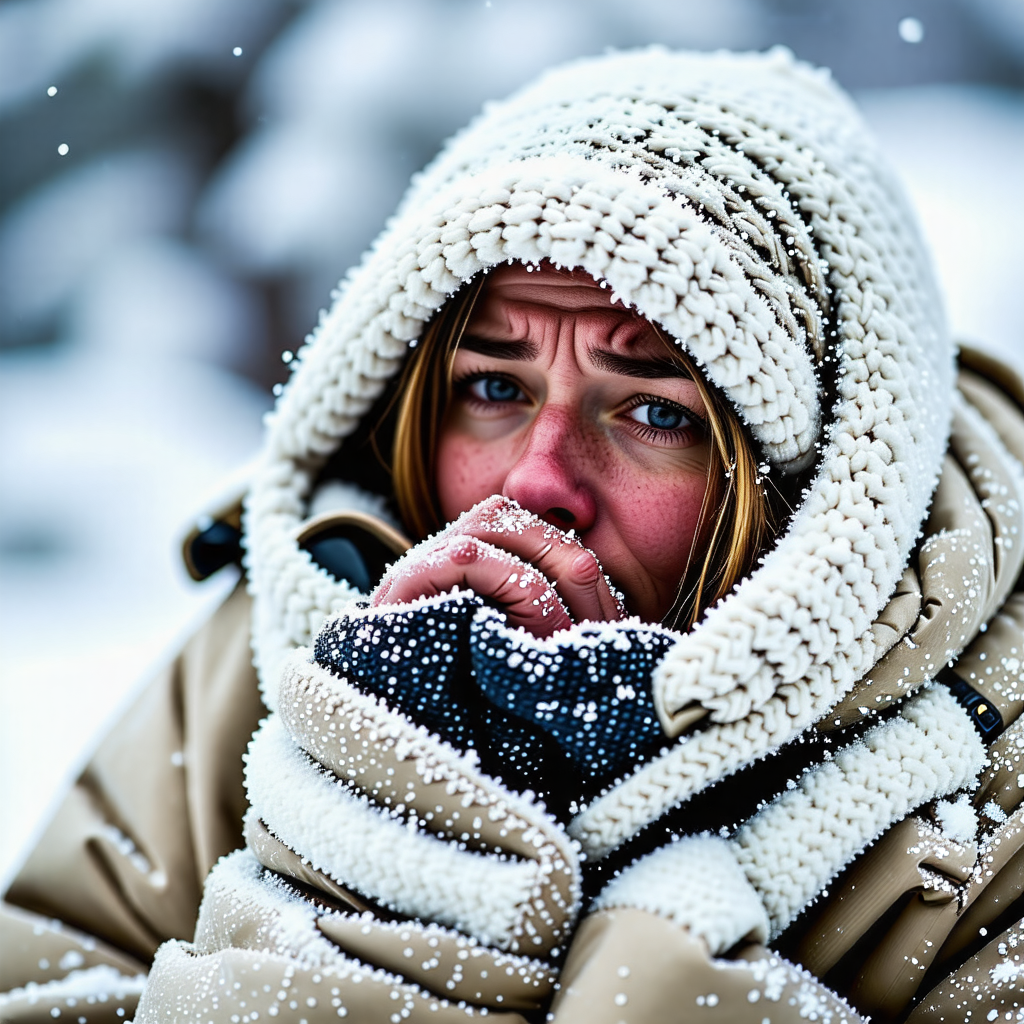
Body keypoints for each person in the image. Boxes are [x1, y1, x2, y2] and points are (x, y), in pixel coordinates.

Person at [4, 46, 1024, 1024]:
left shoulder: (992, 776)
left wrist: (660, 970)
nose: (539, 484)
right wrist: (383, 814)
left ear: (811, 487)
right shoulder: (286, 632)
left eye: (654, 411)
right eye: (493, 388)